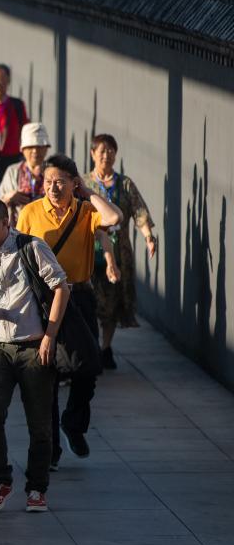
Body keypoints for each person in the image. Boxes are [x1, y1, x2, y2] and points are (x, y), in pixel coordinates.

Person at [0, 197, 69, 512]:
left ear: (5, 223)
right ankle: (1, 480)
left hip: (35, 347)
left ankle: (37, 488)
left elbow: (62, 287)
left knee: (40, 424)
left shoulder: (31, 247)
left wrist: (50, 335)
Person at [16, 154, 123, 465]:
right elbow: (18, 255)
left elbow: (114, 219)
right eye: (48, 181)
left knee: (88, 367)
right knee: (45, 372)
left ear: (74, 183)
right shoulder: (31, 213)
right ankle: (50, 449)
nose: (53, 187)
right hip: (42, 300)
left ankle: (73, 424)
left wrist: (88, 193)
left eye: (60, 181)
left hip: (79, 297)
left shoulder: (87, 212)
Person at [83, 133, 157, 369]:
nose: (107, 155)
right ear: (93, 153)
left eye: (111, 151)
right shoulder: (83, 184)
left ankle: (105, 348)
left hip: (119, 251)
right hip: (88, 251)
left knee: (112, 304)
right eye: (102, 151)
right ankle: (91, 347)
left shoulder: (124, 184)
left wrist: (148, 237)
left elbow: (139, 211)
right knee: (89, 301)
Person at [0, 122, 51, 224]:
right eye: (30, 147)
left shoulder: (53, 171)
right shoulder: (13, 171)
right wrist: (8, 197)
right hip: (18, 230)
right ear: (22, 149)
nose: (35, 151)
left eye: (39, 146)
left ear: (46, 148)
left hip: (49, 228)